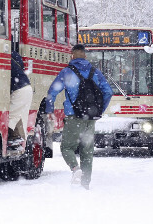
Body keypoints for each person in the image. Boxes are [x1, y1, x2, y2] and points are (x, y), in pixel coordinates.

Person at [45, 44, 113, 189]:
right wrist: (99, 110)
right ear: (85, 56)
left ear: (72, 56)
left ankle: (76, 170)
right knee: (87, 152)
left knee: (66, 148)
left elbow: (52, 92)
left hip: (73, 118)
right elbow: (108, 92)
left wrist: (49, 110)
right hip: (90, 118)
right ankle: (85, 184)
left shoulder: (67, 72)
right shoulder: (95, 72)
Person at [8, 50, 33, 150]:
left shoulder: (4, 54)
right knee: (17, 116)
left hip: (19, 89)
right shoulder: (15, 54)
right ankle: (16, 140)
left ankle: (14, 139)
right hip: (26, 87)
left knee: (9, 116)